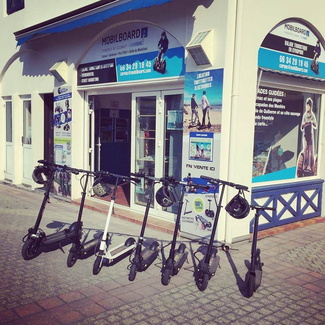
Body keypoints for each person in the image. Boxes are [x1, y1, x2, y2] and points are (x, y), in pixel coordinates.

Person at [300, 97, 317, 173]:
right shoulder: (304, 115)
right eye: (306, 105)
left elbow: (316, 125)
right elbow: (301, 127)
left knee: (311, 152)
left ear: (311, 106)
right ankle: (305, 166)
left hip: (310, 135)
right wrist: (304, 123)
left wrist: (312, 122)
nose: (307, 107)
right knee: (305, 151)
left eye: (308, 106)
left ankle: (312, 168)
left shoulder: (312, 115)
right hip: (305, 136)